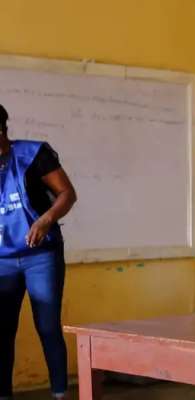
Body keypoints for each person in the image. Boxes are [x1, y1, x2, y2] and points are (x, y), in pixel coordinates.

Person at [0, 104, 77, 399]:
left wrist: (46, 220)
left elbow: (67, 194)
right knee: (2, 332)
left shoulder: (33, 154)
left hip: (40, 256)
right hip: (2, 261)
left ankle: (60, 393)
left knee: (47, 327)